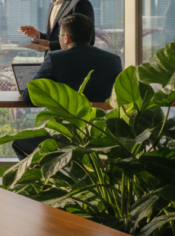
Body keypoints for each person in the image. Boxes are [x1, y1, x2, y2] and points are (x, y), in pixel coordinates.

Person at [13, 14, 122, 160]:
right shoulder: (114, 60)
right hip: (104, 135)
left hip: (66, 135)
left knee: (19, 143)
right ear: (89, 37)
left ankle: (51, 179)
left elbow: (29, 97)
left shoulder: (55, 58)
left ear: (66, 38)